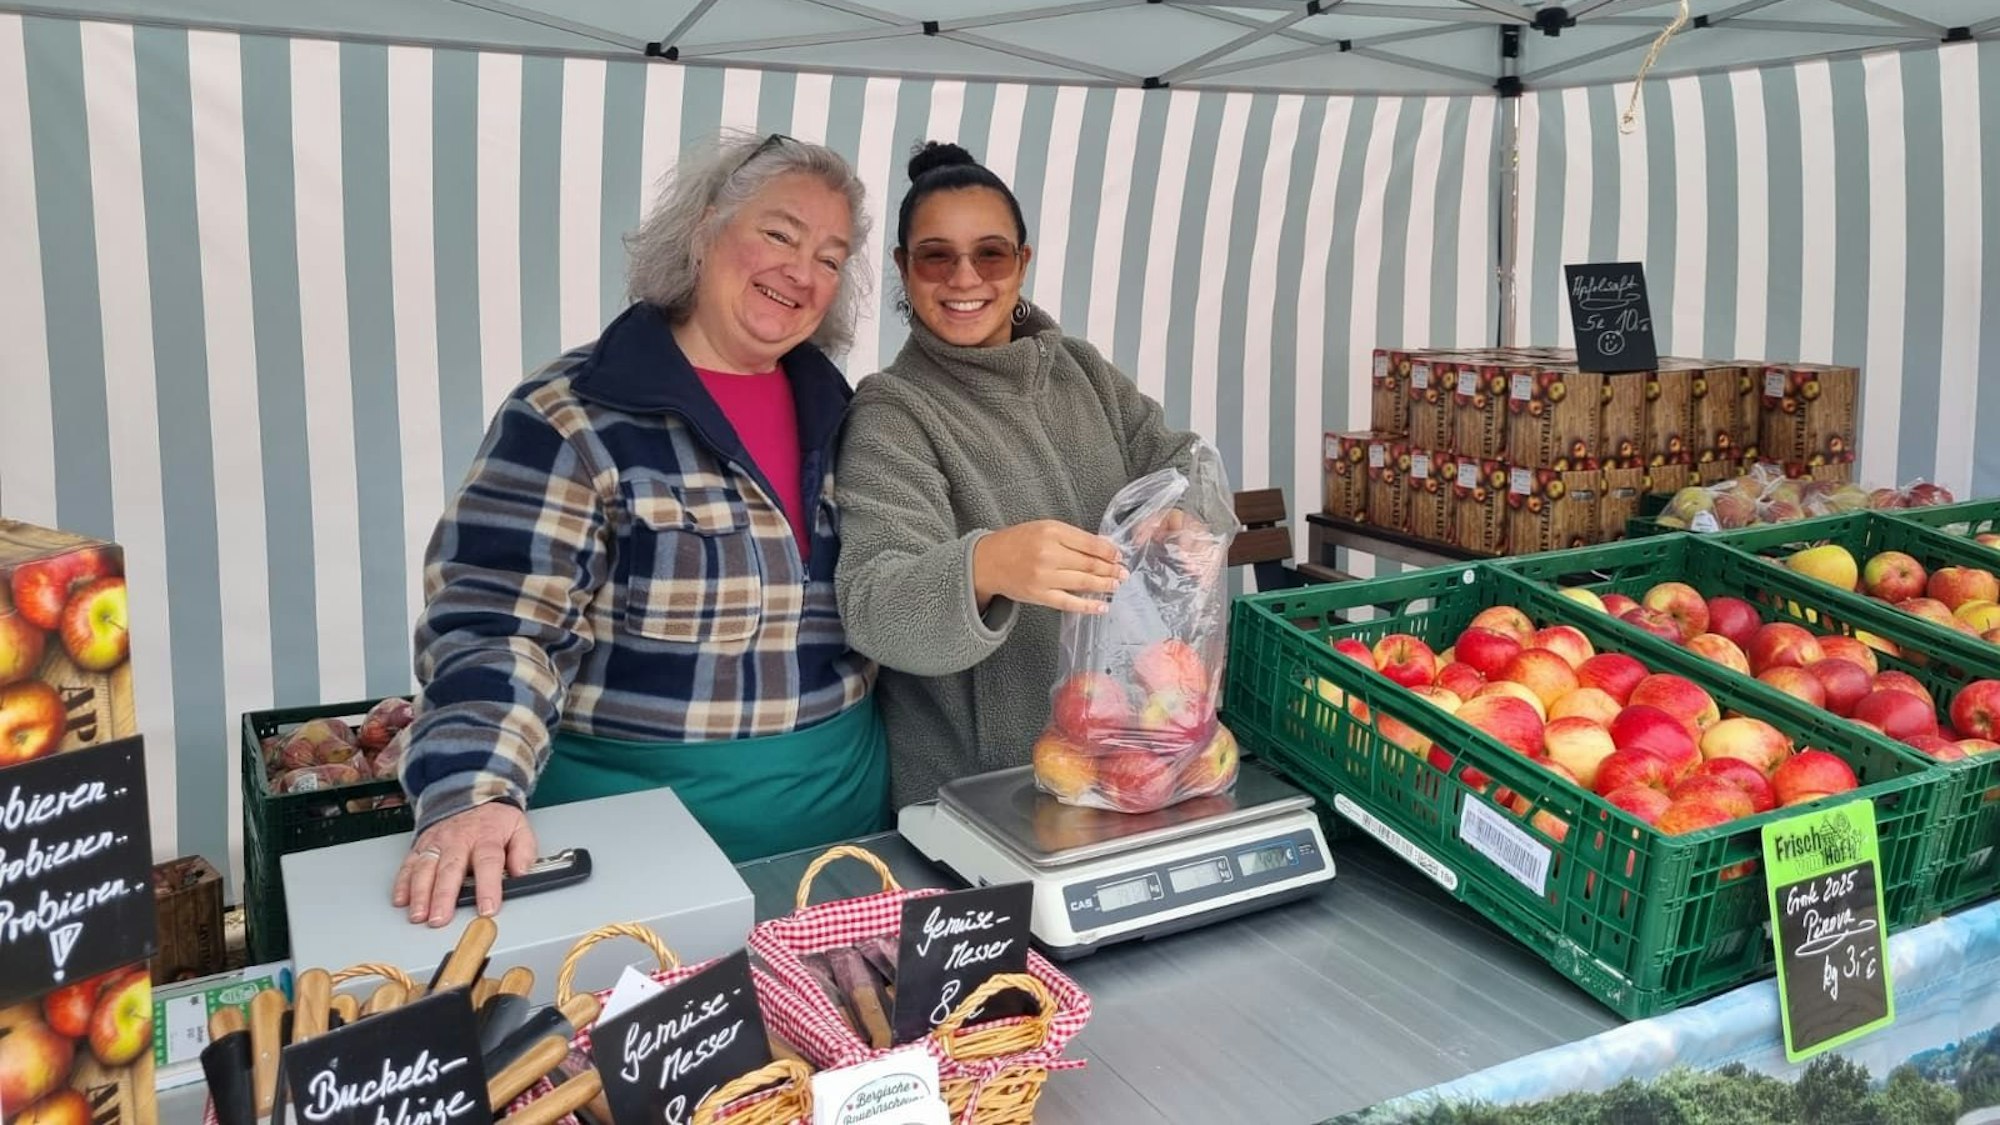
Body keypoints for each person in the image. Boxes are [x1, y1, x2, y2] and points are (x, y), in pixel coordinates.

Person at [389, 132, 887, 927]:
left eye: (831, 257)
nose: (803, 272)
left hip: (846, 849)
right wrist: (473, 790)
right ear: (702, 230)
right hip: (636, 861)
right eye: (780, 234)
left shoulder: (853, 416)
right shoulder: (572, 415)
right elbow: (495, 624)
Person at [833, 141, 1205, 808]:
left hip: (1130, 757)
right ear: (903, 268)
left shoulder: (1081, 371)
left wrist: (1183, 515)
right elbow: (873, 605)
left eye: (991, 253)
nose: (965, 277)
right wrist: (987, 567)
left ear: (1022, 263)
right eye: (936, 255)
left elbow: (1179, 459)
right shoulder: (893, 410)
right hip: (985, 794)